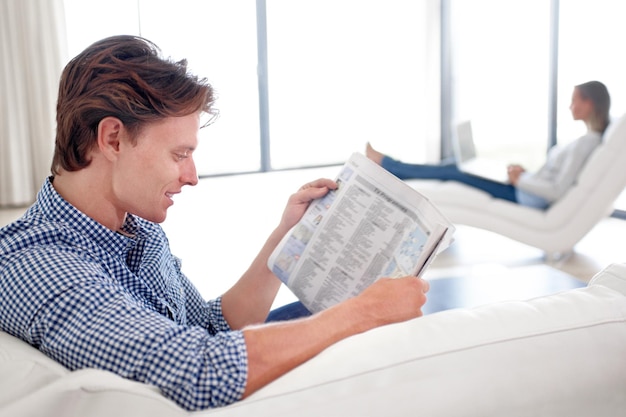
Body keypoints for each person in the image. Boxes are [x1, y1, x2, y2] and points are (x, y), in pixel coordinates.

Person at [0, 35, 430, 411]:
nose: (192, 176)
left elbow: (210, 325)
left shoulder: (135, 227)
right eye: (179, 154)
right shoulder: (35, 264)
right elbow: (198, 371)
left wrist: (286, 235)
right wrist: (363, 313)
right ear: (112, 139)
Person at [366, 81, 611, 209]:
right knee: (457, 166)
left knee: (456, 169)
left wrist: (520, 180)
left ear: (588, 104)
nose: (570, 106)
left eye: (573, 101)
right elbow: (554, 179)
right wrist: (524, 174)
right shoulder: (589, 141)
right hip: (524, 188)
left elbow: (557, 190)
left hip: (523, 196)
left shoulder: (585, 144)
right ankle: (390, 165)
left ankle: (387, 165)